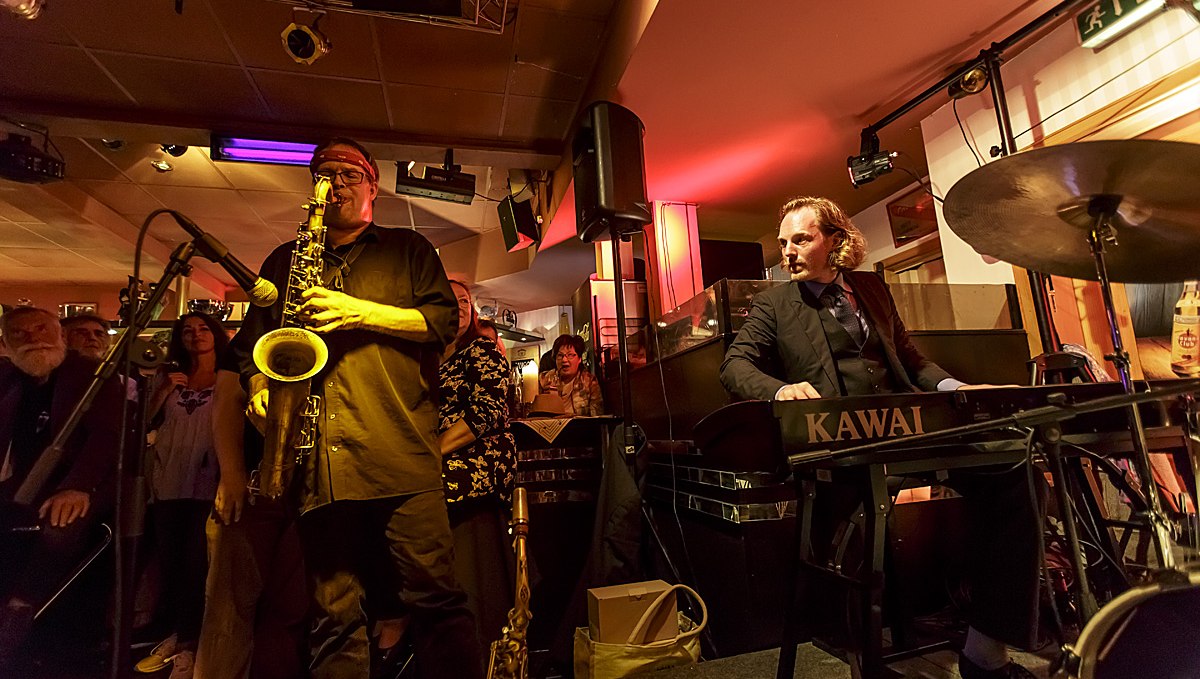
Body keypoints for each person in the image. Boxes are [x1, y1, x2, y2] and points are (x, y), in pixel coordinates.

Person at [720, 196, 1040, 679]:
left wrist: (958, 388)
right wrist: (782, 389)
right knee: (854, 530)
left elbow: (912, 360)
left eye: (801, 239)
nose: (788, 251)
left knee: (1016, 470)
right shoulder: (774, 302)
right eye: (784, 241)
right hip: (838, 441)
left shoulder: (870, 287)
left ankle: (985, 651)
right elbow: (734, 366)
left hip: (904, 428)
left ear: (836, 241)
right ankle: (862, 655)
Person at [230, 137, 482, 678]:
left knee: (436, 601)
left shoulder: (410, 249)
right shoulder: (284, 259)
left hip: (400, 455)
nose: (335, 182)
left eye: (348, 173)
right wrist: (257, 389)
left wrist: (359, 312)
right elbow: (252, 348)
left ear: (373, 187)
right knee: (333, 615)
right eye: (325, 173)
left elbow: (440, 323)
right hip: (317, 463)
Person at [0, 307, 124, 671]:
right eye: (20, 333)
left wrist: (78, 487)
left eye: (41, 329)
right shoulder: (7, 377)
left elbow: (107, 439)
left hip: (84, 487)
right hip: (21, 489)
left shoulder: (92, 375)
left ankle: (18, 613)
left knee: (59, 527)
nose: (33, 337)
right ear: (6, 343)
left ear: (60, 334)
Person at [193, 368, 307, 679]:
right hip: (256, 484)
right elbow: (229, 394)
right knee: (227, 609)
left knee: (290, 612)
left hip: (312, 489)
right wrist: (232, 473)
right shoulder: (261, 324)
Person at [137, 312, 229, 679]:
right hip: (170, 478)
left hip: (210, 478)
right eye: (187, 330)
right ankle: (182, 636)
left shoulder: (230, 375)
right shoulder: (166, 375)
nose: (196, 335)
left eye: (204, 328)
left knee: (200, 563)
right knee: (173, 563)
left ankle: (193, 645)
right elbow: (141, 423)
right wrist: (163, 392)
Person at [439, 280, 517, 645]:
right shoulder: (434, 355)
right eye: (450, 300)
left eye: (465, 301)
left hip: (474, 483)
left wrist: (431, 451)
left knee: (476, 586)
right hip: (442, 484)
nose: (460, 307)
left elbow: (482, 414)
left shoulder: (482, 350)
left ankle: (487, 659)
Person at [61, 313, 140, 401]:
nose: (92, 338)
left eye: (99, 334)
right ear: (63, 338)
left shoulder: (125, 384)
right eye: (82, 333)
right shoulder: (52, 378)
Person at [538, 334, 603, 416]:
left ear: (579, 359)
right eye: (560, 355)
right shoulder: (545, 380)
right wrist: (543, 399)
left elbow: (597, 417)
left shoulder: (589, 382)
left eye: (570, 355)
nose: (564, 360)